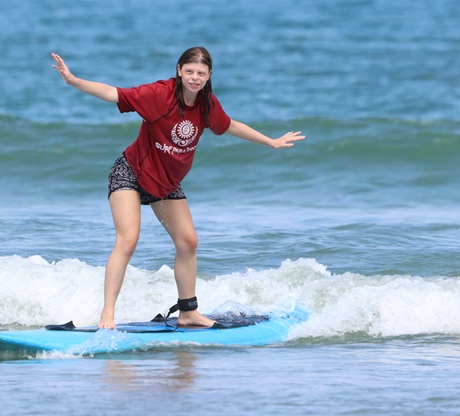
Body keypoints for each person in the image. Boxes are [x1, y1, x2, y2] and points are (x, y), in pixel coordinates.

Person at [51, 46, 304, 329]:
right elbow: (114, 94)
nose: (195, 78)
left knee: (188, 242)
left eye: (201, 73)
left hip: (165, 183)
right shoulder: (159, 95)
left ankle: (188, 312)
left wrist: (270, 141)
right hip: (131, 172)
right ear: (179, 71)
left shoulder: (207, 105)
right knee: (128, 240)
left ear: (209, 76)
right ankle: (107, 315)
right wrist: (74, 81)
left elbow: (229, 126)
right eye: (190, 71)